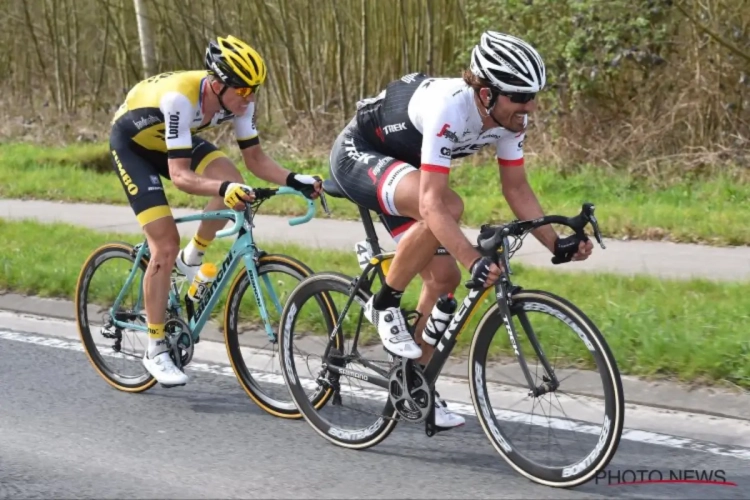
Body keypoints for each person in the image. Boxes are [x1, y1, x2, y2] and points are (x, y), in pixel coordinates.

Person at [327, 31, 594, 429]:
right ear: (486, 93)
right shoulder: (450, 109)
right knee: (449, 207)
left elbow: (516, 188)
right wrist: (472, 258)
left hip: (406, 170)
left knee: (444, 279)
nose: (531, 106)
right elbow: (432, 204)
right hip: (362, 153)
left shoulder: (510, 120)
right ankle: (383, 303)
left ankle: (413, 383)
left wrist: (557, 243)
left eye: (534, 95)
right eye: (520, 96)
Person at [109, 35, 322, 387]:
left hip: (171, 138)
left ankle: (191, 260)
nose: (250, 98)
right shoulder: (180, 99)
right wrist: (225, 190)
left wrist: (294, 178)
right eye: (244, 91)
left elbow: (254, 160)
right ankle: (155, 347)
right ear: (219, 84)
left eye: (255, 90)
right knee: (164, 243)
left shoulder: (238, 100)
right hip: (133, 145)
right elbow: (180, 177)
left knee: (232, 178)